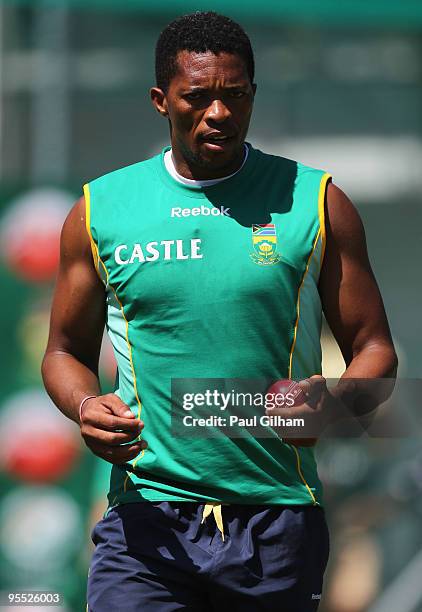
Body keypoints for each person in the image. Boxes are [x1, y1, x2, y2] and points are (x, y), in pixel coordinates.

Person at [41, 11, 397, 612]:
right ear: (161, 101)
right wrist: (85, 403)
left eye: (235, 96)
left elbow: (374, 349)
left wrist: (335, 406)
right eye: (197, 97)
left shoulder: (317, 202)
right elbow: (63, 352)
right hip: (145, 523)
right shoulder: (101, 210)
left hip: (276, 517)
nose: (219, 114)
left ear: (253, 95)